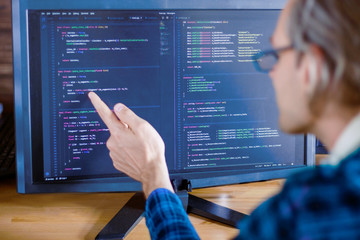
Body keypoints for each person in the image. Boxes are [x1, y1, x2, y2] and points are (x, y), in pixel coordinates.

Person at [88, 0, 360, 238]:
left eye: (276, 55)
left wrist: (152, 172)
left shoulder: (310, 208)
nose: (271, 72)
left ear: (312, 66)